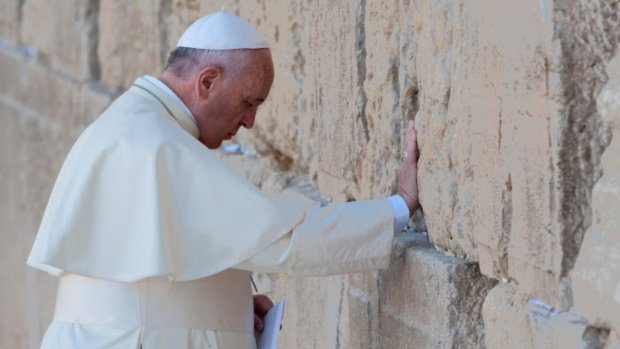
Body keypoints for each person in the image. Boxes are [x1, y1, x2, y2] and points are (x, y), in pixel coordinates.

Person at [27, 11, 419, 349]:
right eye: (248, 102)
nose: (249, 122)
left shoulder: (132, 124)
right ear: (208, 82)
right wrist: (398, 207)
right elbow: (284, 240)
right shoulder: (159, 145)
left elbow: (136, 282)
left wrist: (222, 303)